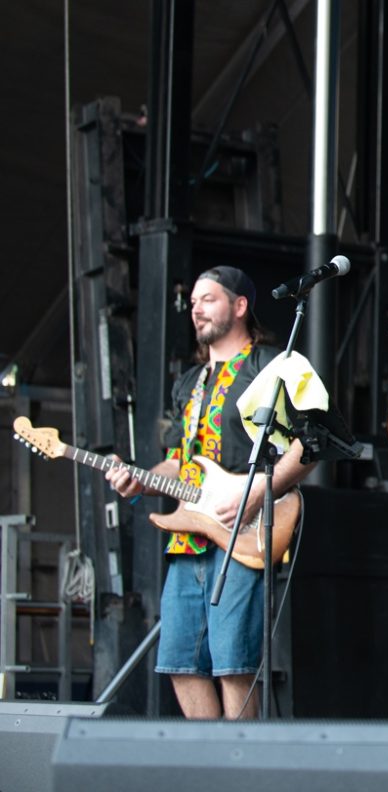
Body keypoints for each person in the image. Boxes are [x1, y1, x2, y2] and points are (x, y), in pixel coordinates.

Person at [107, 265, 315, 719]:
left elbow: (314, 440)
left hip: (244, 532)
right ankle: (209, 757)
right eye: (193, 302)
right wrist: (140, 478)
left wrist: (259, 491)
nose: (196, 309)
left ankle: (242, 760)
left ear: (240, 306)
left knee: (234, 666)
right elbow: (178, 462)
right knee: (180, 663)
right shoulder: (190, 383)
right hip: (188, 539)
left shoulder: (272, 365)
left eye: (208, 299)